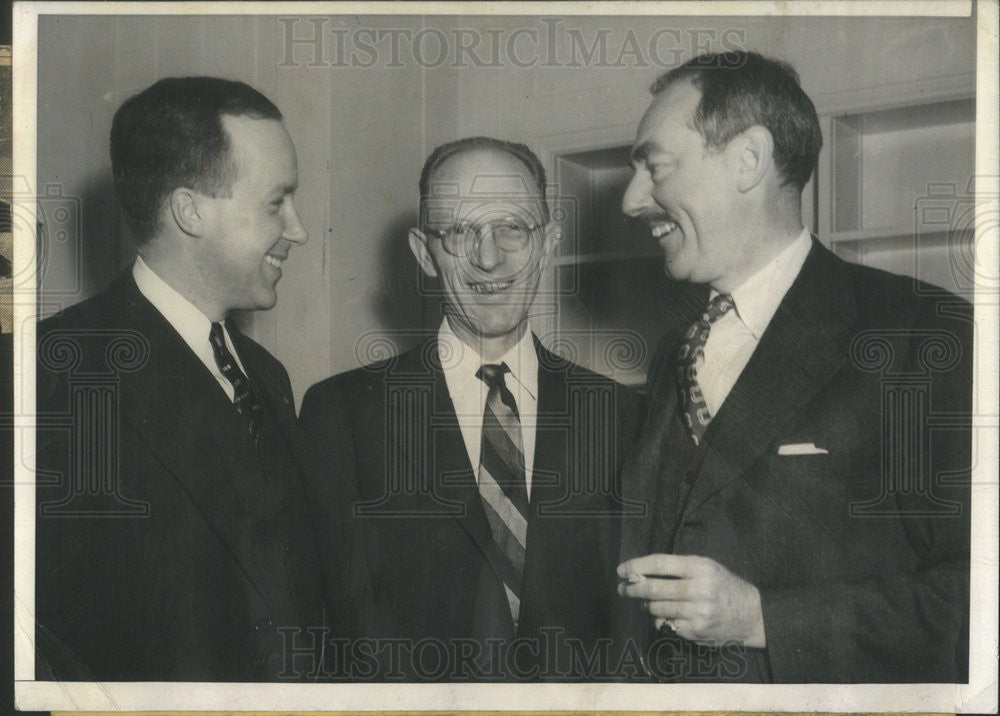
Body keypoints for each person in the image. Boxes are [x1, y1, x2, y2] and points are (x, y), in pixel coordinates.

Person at [614, 51, 972, 683]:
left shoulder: (920, 333)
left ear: (749, 160)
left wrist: (760, 618)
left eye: (655, 166)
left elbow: (977, 599)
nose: (631, 198)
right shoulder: (676, 348)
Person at [35, 77, 346, 682]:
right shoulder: (51, 370)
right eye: (275, 202)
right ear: (189, 211)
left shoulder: (267, 377)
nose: (300, 229)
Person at [300, 137, 639, 680]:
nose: (488, 256)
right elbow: (337, 627)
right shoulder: (341, 415)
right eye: (460, 232)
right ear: (423, 253)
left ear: (550, 242)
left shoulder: (620, 417)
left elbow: (629, 631)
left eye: (513, 227)